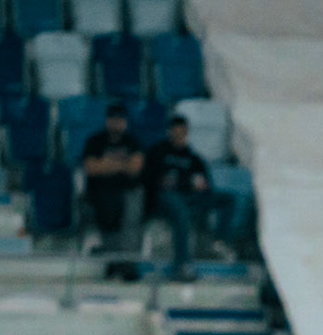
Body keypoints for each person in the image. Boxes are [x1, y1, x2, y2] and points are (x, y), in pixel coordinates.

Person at [143, 115, 231, 283]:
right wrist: (186, 183)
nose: (179, 135)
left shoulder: (193, 158)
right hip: (163, 201)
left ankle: (219, 242)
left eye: (183, 132)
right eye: (176, 132)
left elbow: (204, 185)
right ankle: (181, 265)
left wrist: (182, 183)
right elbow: (154, 182)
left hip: (189, 198)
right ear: (170, 132)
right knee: (179, 210)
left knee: (226, 200)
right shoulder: (158, 152)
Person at [81, 103, 144, 282]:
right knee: (105, 207)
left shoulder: (132, 142)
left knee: (132, 206)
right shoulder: (95, 141)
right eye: (114, 119)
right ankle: (114, 262)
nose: (117, 123)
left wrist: (107, 164)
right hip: (100, 192)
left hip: (128, 192)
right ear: (108, 120)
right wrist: (121, 164)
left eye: (120, 120)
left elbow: (135, 168)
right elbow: (91, 168)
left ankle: (127, 263)